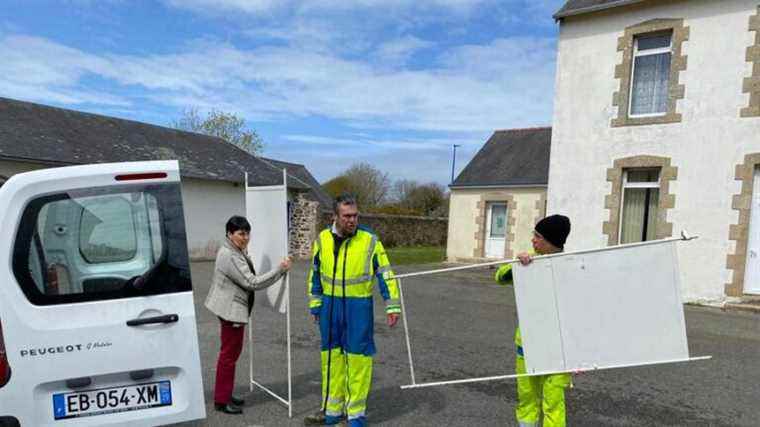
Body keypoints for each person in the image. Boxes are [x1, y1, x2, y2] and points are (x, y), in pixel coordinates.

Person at [304, 194, 401, 427]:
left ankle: (355, 418)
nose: (352, 220)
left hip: (358, 308)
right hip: (330, 307)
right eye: (347, 216)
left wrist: (392, 304)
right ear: (335, 216)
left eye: (355, 215)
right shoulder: (323, 239)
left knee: (358, 362)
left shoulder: (370, 240)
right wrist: (316, 304)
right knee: (331, 360)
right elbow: (315, 273)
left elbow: (385, 272)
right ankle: (331, 412)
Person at [205, 215, 291, 415]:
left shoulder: (234, 250)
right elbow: (251, 283)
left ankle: (225, 394)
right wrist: (280, 270)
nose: (245, 237)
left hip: (229, 308)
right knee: (228, 356)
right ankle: (221, 400)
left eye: (247, 233)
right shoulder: (230, 255)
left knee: (230, 354)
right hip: (230, 311)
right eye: (241, 233)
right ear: (229, 234)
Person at [495, 214, 572, 427]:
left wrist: (579, 352)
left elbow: (581, 313)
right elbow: (499, 277)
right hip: (526, 347)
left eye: (538, 236)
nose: (533, 240)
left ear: (551, 242)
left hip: (558, 351)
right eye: (534, 235)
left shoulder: (572, 267)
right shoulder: (527, 260)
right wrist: (517, 266)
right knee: (527, 398)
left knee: (553, 403)